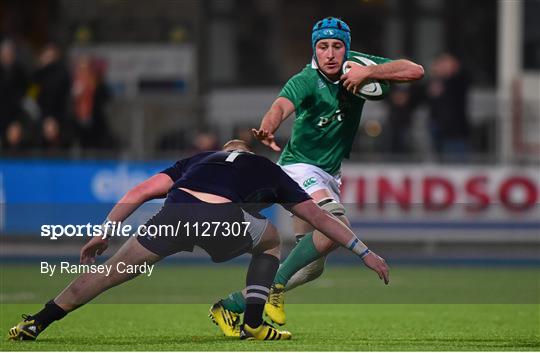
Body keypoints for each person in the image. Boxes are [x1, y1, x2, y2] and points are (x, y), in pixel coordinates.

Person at [8, 140, 389, 342]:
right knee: (271, 239)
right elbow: (321, 218)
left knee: (107, 273)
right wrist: (364, 252)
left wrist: (105, 230)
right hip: (219, 219)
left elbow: (141, 191)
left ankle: (37, 322)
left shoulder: (198, 160)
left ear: (223, 149)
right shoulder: (267, 169)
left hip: (173, 216)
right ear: (246, 152)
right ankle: (254, 323)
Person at [210, 17, 423, 335]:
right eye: (323, 47)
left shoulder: (359, 66)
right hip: (299, 168)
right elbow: (280, 106)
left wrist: (370, 71)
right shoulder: (306, 79)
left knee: (312, 266)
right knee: (336, 226)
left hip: (328, 174)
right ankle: (277, 288)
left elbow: (415, 70)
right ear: (315, 49)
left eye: (337, 46)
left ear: (346, 49)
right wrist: (269, 124)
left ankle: (230, 306)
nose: (330, 53)